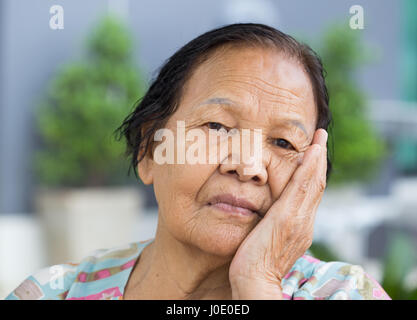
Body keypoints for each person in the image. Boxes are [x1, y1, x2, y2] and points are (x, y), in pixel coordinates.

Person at [5, 23, 390, 300]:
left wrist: (257, 282)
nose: (248, 166)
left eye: (283, 142)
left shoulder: (346, 294)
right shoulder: (52, 293)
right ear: (150, 150)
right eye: (218, 126)